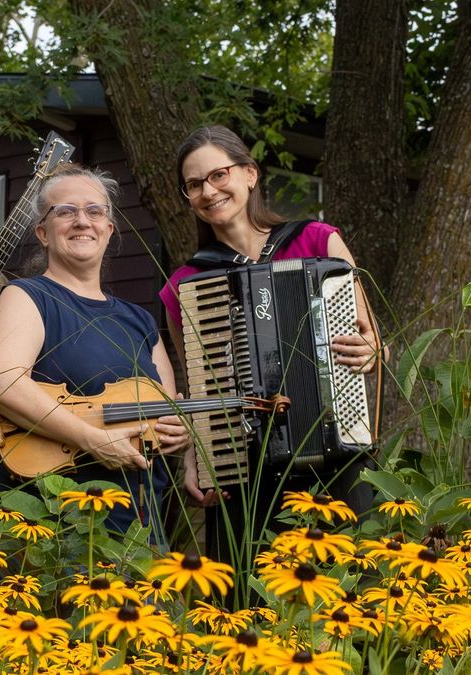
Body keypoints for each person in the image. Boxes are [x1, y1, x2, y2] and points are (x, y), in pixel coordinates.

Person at [158, 126, 380, 563]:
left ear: (249, 174)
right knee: (249, 612)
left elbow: (375, 343)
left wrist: (372, 353)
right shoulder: (186, 284)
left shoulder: (318, 241)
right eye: (194, 184)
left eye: (218, 175)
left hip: (337, 454)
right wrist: (194, 460)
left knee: (353, 603)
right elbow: (200, 396)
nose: (208, 191)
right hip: (243, 470)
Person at [0, 166, 189, 536]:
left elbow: (160, 411)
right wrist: (91, 440)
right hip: (45, 522)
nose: (81, 221)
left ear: (108, 229)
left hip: (132, 518)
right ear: (43, 233)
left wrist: (176, 431)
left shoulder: (138, 319)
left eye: (94, 211)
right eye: (65, 211)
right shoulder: (28, 296)